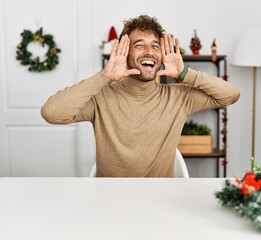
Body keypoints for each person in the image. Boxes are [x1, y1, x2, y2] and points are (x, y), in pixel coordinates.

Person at [41, 15, 240, 177]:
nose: (149, 52)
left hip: (161, 202)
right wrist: (104, 77)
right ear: (125, 52)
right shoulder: (101, 96)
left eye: (155, 46)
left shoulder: (178, 97)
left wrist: (185, 73)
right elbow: (52, 113)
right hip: (110, 201)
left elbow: (230, 95)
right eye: (139, 45)